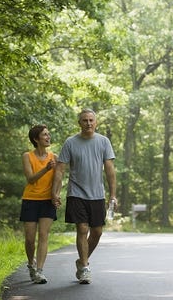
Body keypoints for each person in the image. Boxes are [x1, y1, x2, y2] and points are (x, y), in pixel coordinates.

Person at [52, 108, 117, 285]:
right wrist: (55, 192)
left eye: (91, 120)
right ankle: (86, 267)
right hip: (76, 193)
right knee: (82, 228)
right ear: (79, 123)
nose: (88, 123)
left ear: (95, 123)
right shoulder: (70, 142)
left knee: (97, 232)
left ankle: (81, 261)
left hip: (97, 194)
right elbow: (60, 169)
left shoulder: (103, 142)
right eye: (84, 120)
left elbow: (110, 170)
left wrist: (113, 195)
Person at [20, 124, 57, 284]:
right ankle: (31, 264)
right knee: (29, 238)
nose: (48, 137)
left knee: (43, 236)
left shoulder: (54, 157)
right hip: (30, 200)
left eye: (48, 134)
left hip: (48, 201)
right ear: (36, 139)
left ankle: (40, 271)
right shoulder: (27, 156)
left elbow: (58, 179)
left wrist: (55, 194)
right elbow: (30, 179)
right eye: (45, 135)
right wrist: (46, 169)